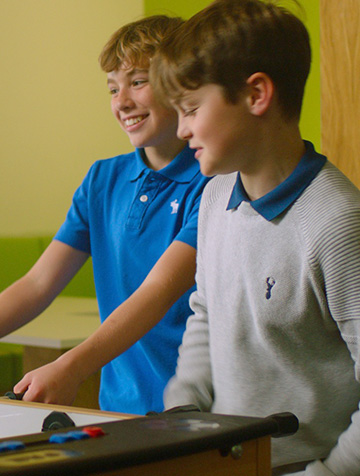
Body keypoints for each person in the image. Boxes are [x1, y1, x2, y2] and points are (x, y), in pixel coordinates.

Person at [149, 0, 360, 474]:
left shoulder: (338, 223)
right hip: (225, 462)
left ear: (256, 94)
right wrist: (183, 407)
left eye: (190, 109)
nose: (181, 129)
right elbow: (206, 312)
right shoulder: (214, 196)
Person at [0, 15, 209, 415]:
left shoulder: (211, 183)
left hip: (190, 413)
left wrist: (70, 366)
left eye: (138, 81)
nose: (121, 101)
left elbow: (157, 293)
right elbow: (39, 283)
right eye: (113, 87)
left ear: (182, 84)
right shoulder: (103, 179)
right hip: (116, 410)